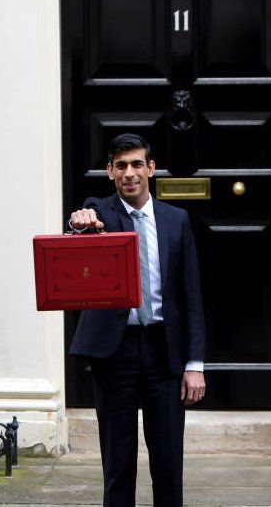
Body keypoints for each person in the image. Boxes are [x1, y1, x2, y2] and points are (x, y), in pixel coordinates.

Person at [68, 132, 206, 507]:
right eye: (121, 166)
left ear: (151, 168)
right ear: (110, 171)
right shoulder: (100, 213)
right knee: (118, 461)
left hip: (165, 352)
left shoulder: (176, 220)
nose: (130, 173)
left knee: (167, 461)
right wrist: (81, 223)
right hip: (116, 354)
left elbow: (190, 297)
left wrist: (194, 364)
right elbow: (83, 225)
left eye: (137, 164)